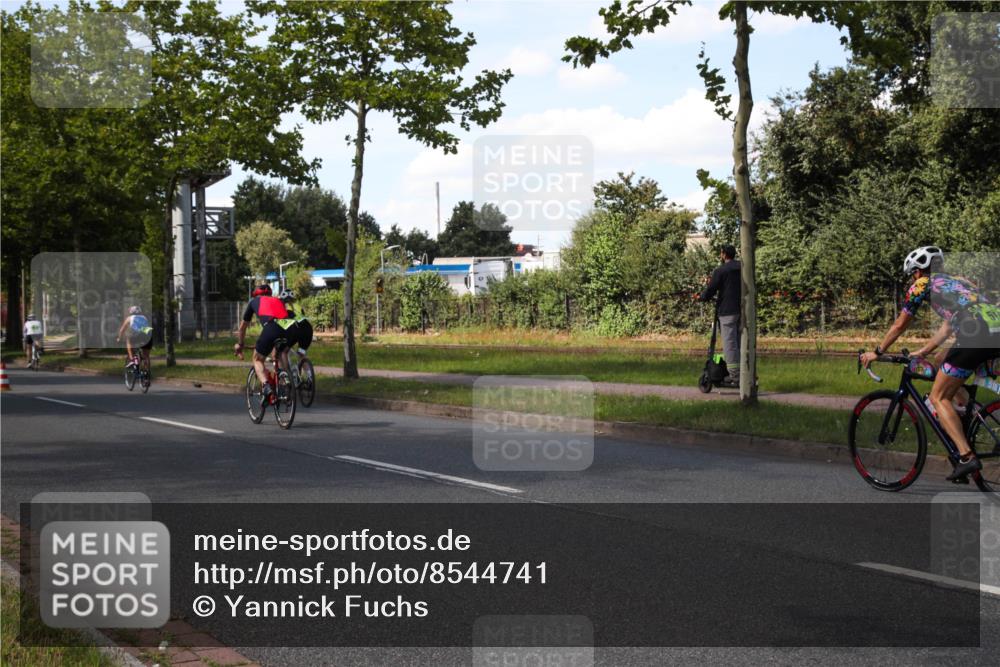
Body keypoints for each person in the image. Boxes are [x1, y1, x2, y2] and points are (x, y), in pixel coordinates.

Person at [861, 246, 1000, 480]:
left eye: (913, 274)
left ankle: (967, 456)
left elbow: (900, 325)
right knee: (940, 360)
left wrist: (877, 352)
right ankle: (969, 417)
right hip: (994, 330)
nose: (913, 279)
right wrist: (922, 351)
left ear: (917, 271)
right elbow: (947, 326)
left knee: (938, 397)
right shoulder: (958, 281)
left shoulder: (922, 284)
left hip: (975, 336)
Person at [235, 284, 299, 405]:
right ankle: (286, 381)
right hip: (289, 328)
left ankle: (266, 386)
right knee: (280, 354)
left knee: (257, 359)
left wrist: (240, 344)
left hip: (272, 327)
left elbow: (242, 328)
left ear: (256, 294)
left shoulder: (254, 301)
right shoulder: (278, 300)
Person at [699, 244, 742, 386]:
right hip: (742, 310)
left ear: (723, 255)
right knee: (740, 343)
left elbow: (711, 289)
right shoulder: (743, 267)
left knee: (730, 344)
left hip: (727, 311)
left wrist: (702, 297)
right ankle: (746, 372)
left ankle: (735, 377)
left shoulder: (721, 270)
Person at [279, 290, 313, 357]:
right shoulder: (298, 306)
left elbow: (283, 323)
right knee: (301, 354)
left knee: (283, 352)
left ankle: (286, 368)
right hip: (308, 330)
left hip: (296, 330)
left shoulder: (283, 307)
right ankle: (306, 366)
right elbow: (302, 318)